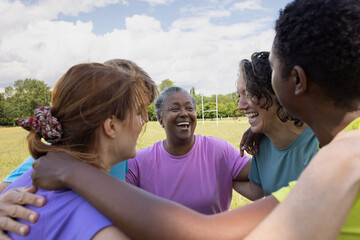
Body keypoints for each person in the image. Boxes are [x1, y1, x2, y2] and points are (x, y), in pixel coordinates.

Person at [1, 0, 360, 239]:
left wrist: (73, 172)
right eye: (141, 109)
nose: (143, 119)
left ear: (294, 81)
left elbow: (208, 230)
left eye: (273, 69)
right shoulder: (342, 155)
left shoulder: (342, 161)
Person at [1, 62, 157, 239]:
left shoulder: (35, 173)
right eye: (138, 111)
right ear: (111, 125)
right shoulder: (103, 228)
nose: (144, 120)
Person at [126, 86, 251, 214]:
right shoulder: (138, 162)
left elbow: (259, 180)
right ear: (160, 119)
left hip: (215, 233)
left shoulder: (219, 151)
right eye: (174, 109)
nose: (184, 113)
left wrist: (264, 132)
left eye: (189, 108)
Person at [233, 51, 318, 199]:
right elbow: (256, 191)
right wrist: (221, 177)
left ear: (277, 90)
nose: (241, 106)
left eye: (248, 94)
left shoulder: (319, 142)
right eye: (239, 96)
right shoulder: (261, 143)